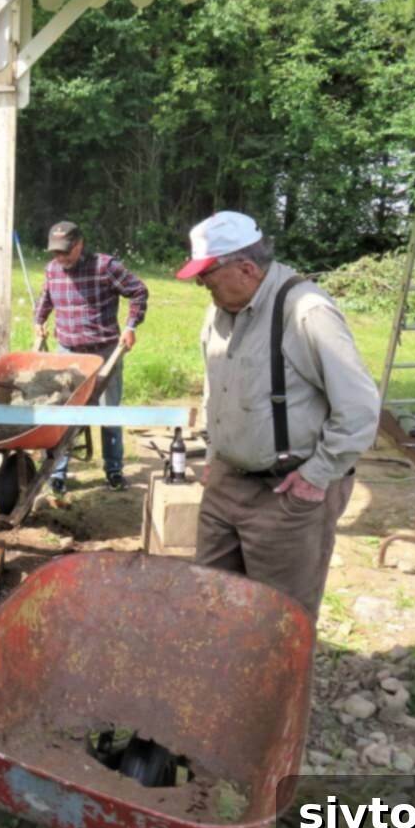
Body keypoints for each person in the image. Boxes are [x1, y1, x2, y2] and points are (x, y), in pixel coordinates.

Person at [177, 211, 380, 619]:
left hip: (286, 492)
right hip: (226, 483)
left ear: (246, 268)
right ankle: (224, 681)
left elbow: (359, 408)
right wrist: (215, 452)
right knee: (209, 604)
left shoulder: (306, 311)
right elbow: (218, 386)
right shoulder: (221, 309)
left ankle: (275, 684)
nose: (202, 285)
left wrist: (317, 475)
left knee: (279, 619)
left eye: (207, 275)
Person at [33, 221, 149, 493]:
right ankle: (58, 473)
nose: (61, 258)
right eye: (56, 253)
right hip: (68, 352)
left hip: (104, 352)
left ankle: (114, 470)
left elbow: (139, 291)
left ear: (79, 244)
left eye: (65, 252)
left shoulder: (105, 267)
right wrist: (39, 320)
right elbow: (45, 298)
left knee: (109, 413)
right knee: (66, 414)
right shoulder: (52, 270)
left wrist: (131, 326)